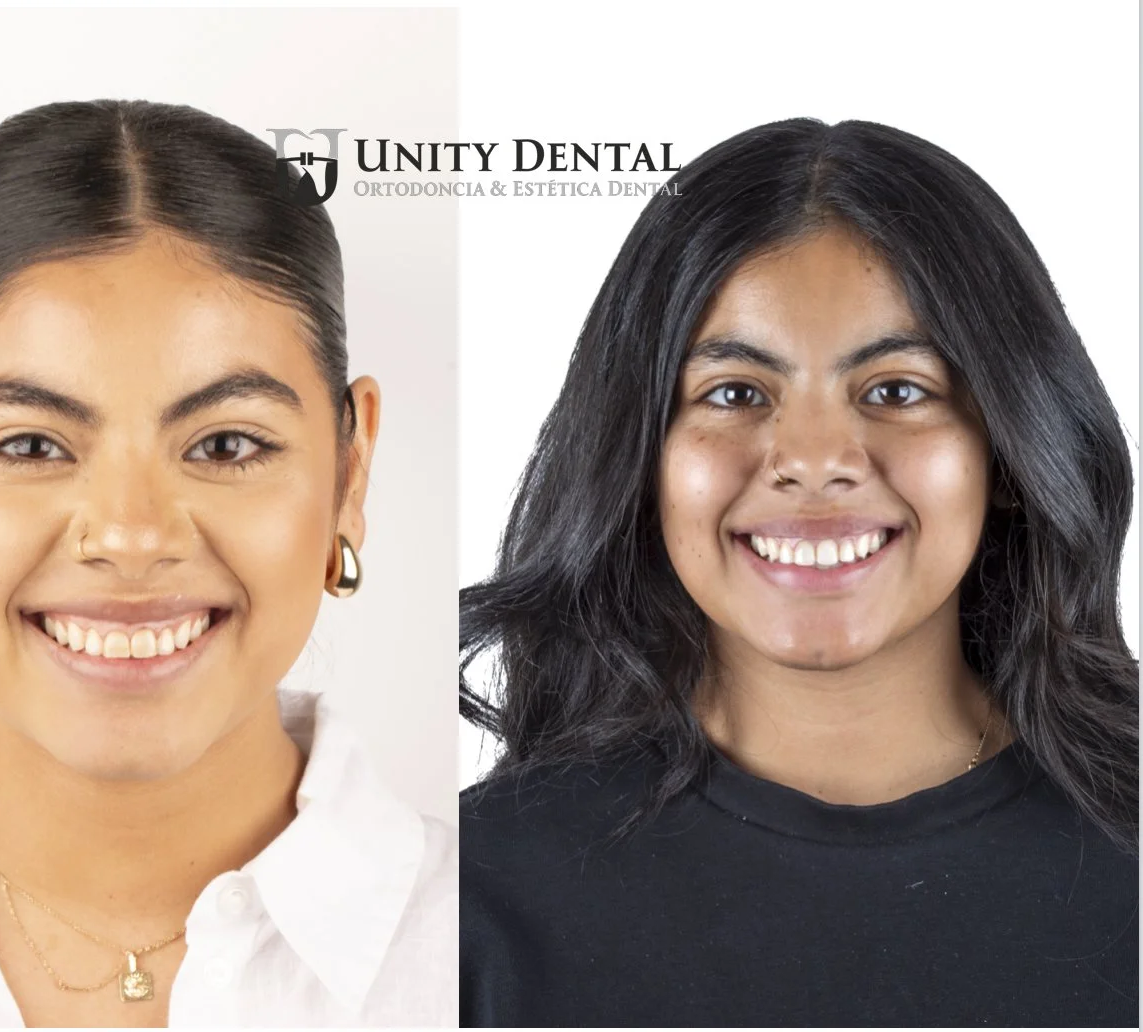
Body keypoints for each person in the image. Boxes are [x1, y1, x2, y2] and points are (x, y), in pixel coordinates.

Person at [459, 118, 1138, 1027]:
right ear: (639, 459)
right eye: (736, 394)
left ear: (1008, 453)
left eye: (898, 390)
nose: (815, 459)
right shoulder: (469, 899)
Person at [0, 99, 455, 1028]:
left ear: (350, 473)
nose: (132, 534)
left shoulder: (505, 943)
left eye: (227, 444)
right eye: (29, 447)